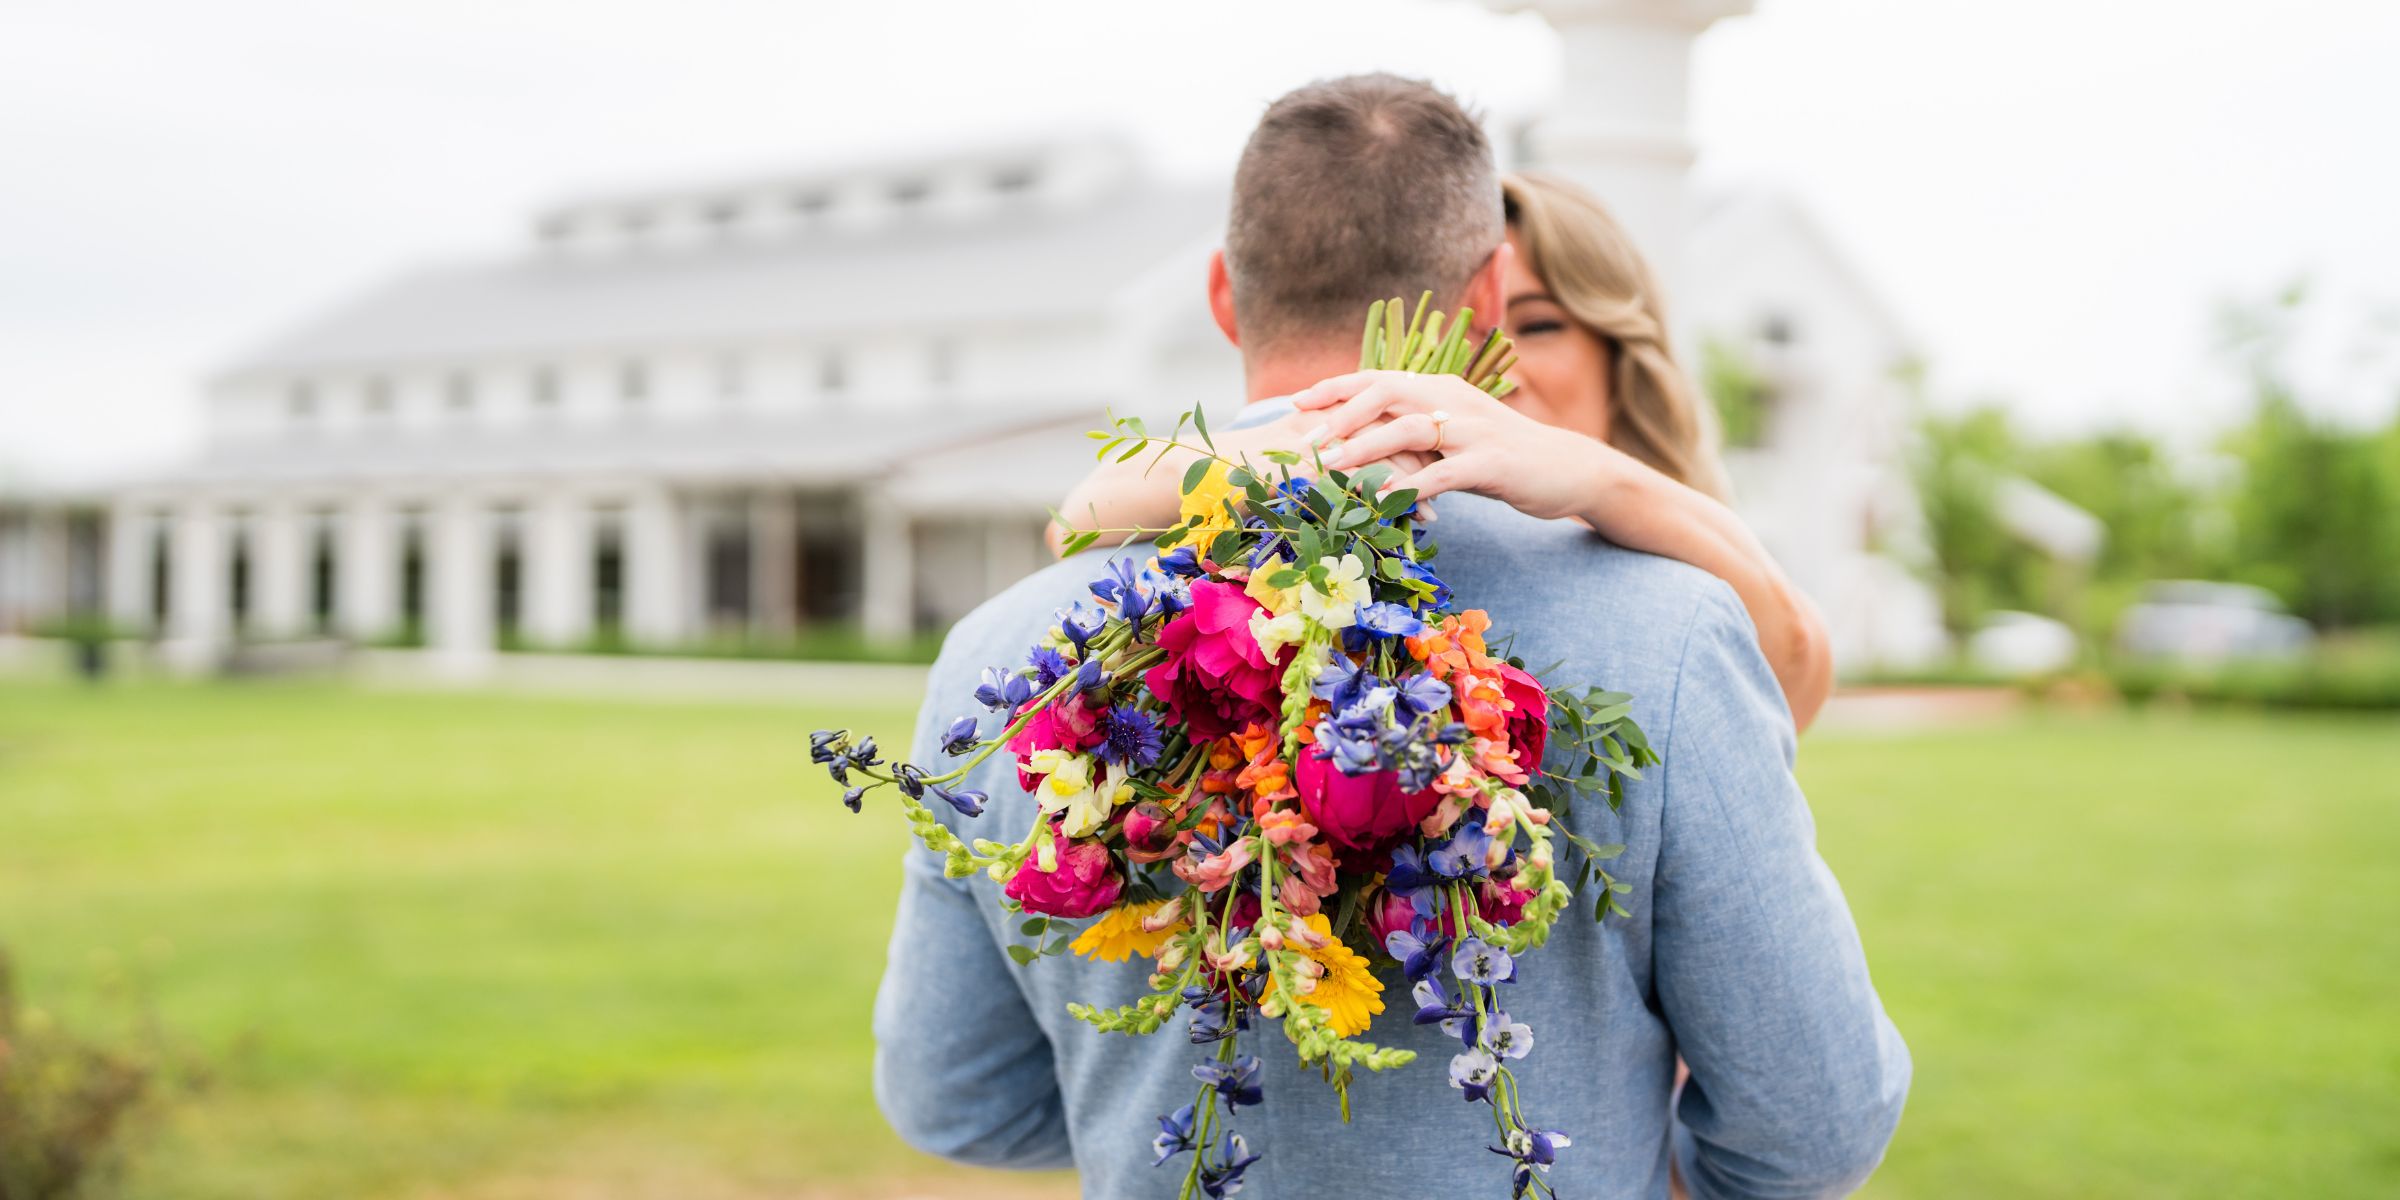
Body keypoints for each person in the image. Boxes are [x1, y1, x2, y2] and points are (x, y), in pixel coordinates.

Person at [874, 74, 1909, 1199]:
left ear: (1224, 294)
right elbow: (1815, 1124)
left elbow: (955, 1098)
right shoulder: (1668, 631)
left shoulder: (1007, 655)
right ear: (1491, 294)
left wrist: (1126, 1103)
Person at [1049, 172, 1834, 730]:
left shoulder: (1683, 589)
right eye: (1475, 330)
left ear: (1620, 351)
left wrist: (1601, 480)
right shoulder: (1399, 506)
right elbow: (1077, 518)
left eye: (1539, 325)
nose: (1493, 365)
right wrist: (1275, 449)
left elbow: (1793, 659)